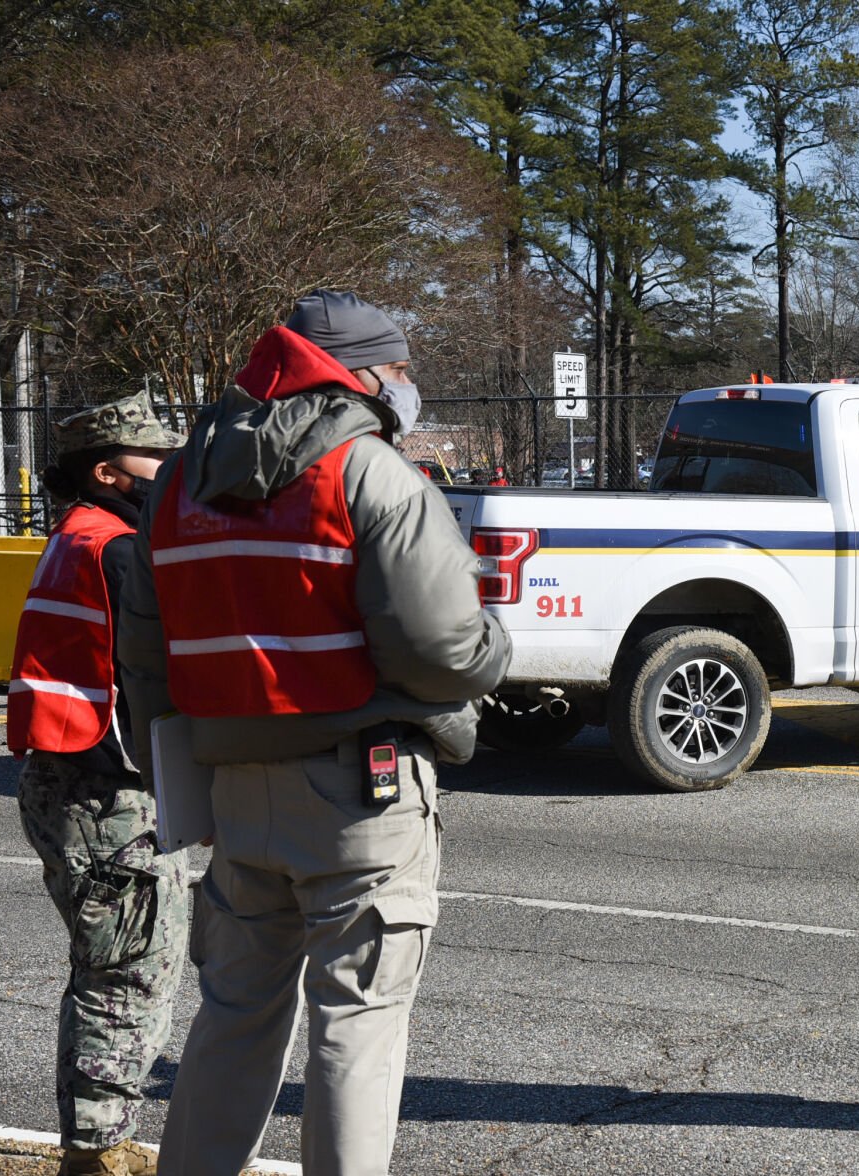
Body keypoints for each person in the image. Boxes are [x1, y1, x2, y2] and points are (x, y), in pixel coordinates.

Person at [119, 289, 512, 1175]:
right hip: (357, 792)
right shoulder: (368, 473)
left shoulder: (177, 481)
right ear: (363, 376)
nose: (408, 387)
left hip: (230, 789)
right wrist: (496, 647)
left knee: (233, 1018)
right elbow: (443, 650)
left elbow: (145, 658)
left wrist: (184, 773)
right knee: (358, 1026)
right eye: (402, 369)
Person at [5, 392, 188, 1176]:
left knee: (117, 965)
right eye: (154, 457)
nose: (168, 468)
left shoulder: (79, 536)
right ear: (108, 470)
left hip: (70, 785)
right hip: (105, 796)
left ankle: (101, 1138)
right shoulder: (114, 547)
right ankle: (98, 1152)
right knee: (125, 975)